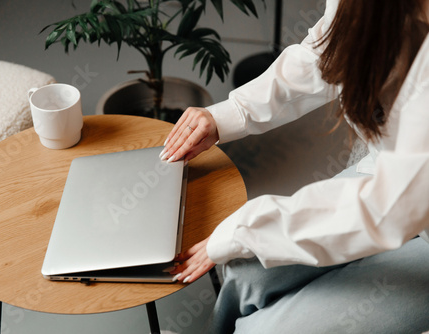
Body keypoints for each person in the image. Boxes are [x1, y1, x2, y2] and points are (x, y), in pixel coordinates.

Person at [159, 0, 429, 333]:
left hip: (397, 206)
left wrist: (246, 228)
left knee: (264, 329)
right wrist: (227, 115)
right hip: (389, 179)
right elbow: (327, 52)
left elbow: (389, 210)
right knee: (245, 271)